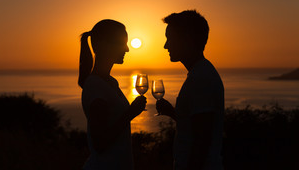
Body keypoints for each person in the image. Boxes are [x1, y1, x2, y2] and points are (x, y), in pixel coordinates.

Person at [156, 10, 225, 170]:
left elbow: (202, 140)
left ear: (186, 39)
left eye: (170, 38)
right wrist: (173, 113)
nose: (166, 45)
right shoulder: (200, 73)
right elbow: (196, 125)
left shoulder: (201, 78)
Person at [79, 19, 147, 170]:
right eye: (122, 43)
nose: (127, 49)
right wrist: (130, 113)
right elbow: (100, 144)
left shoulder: (110, 82)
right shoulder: (96, 86)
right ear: (104, 45)